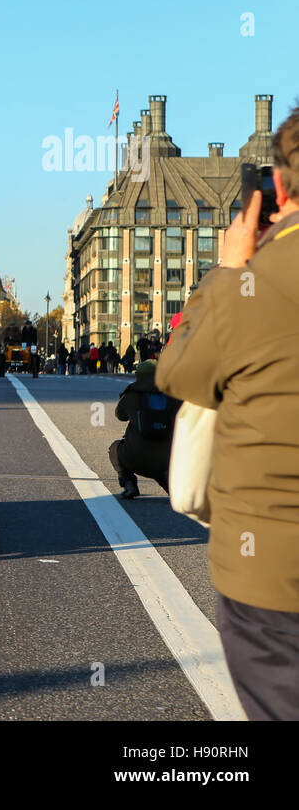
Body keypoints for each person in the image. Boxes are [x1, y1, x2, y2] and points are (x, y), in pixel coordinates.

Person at [156, 104, 299, 720]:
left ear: (281, 187)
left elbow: (180, 372)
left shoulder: (256, 281)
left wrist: (226, 268)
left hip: (272, 574)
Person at [109, 360, 181, 498]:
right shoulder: (172, 393)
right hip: (166, 459)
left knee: (115, 448)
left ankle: (129, 484)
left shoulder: (132, 393)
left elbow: (120, 415)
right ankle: (174, 489)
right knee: (163, 467)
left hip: (134, 457)